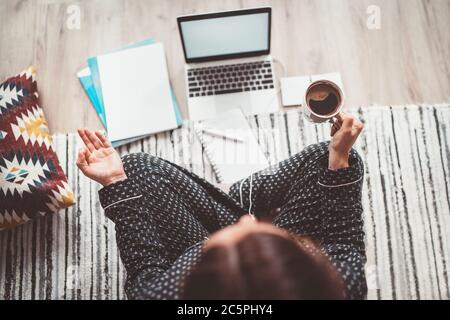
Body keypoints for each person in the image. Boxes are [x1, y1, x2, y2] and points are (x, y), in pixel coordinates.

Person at [76, 113, 366, 300]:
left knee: (135, 169)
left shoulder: (160, 294)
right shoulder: (341, 287)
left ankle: (239, 199)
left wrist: (115, 181)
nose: (248, 221)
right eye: (256, 230)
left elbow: (145, 268)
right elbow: (343, 241)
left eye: (239, 234)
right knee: (325, 159)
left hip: (191, 246)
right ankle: (245, 197)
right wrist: (339, 158)